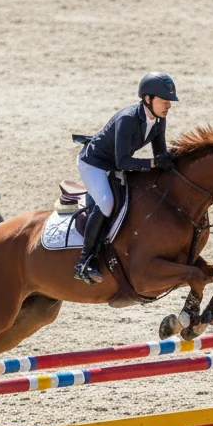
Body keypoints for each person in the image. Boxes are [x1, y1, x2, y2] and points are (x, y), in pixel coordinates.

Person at [73, 72, 178, 285]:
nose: (169, 105)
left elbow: (160, 156)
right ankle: (84, 261)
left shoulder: (158, 120)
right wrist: (152, 164)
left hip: (115, 164)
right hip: (94, 164)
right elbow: (123, 161)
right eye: (164, 101)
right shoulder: (128, 119)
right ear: (148, 99)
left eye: (170, 101)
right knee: (106, 202)